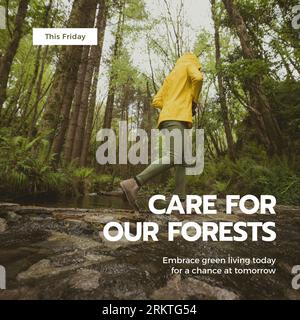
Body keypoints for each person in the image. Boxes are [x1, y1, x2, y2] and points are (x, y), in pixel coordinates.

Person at [120, 52, 204, 211]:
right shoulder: (189, 64)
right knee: (175, 156)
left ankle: (180, 199)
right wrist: (192, 100)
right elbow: (198, 78)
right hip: (177, 118)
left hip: (168, 117)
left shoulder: (171, 76)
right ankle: (134, 182)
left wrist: (171, 105)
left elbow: (156, 101)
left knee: (182, 159)